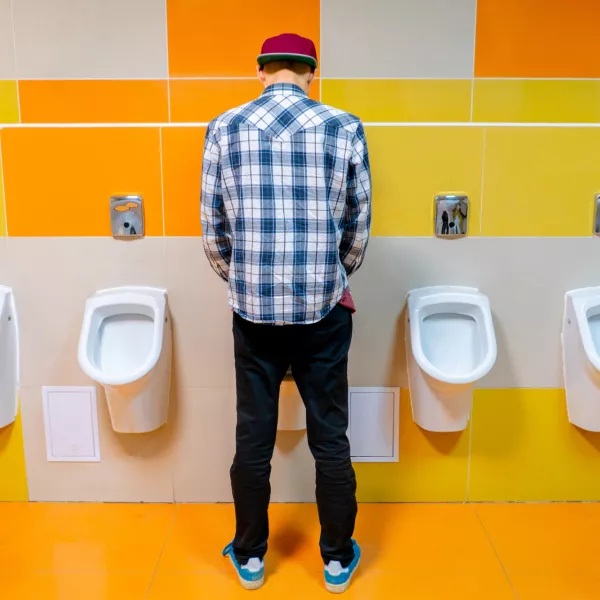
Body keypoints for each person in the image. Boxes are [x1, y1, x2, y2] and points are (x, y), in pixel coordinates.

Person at [201, 32, 372, 594]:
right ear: (310, 72)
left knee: (253, 436)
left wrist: (247, 281)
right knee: (331, 436)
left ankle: (249, 557)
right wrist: (330, 277)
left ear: (261, 71)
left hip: (252, 313)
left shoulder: (223, 128)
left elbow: (213, 233)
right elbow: (357, 227)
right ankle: (336, 557)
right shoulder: (344, 127)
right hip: (323, 311)